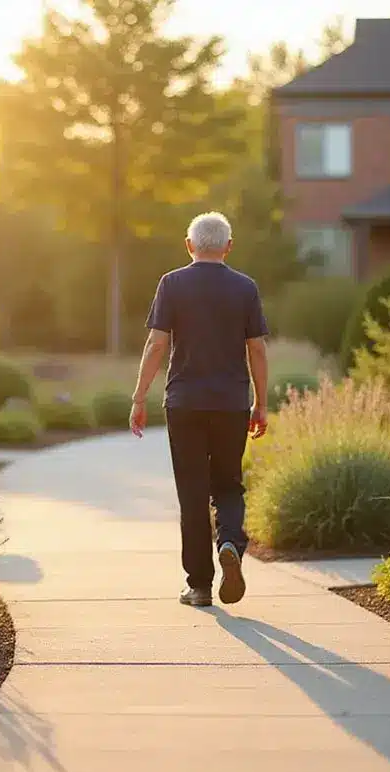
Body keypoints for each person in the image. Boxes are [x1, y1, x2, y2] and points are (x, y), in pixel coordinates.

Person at [129, 212, 269, 607]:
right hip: (231, 404)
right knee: (228, 483)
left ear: (189, 246)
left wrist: (139, 397)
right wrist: (261, 403)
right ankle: (229, 543)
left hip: (185, 403)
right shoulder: (245, 288)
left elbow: (157, 344)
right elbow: (256, 348)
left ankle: (200, 586)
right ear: (228, 246)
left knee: (192, 494)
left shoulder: (172, 283)